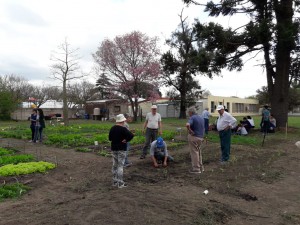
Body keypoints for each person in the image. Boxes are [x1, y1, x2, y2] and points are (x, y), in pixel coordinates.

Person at [109, 114, 134, 188]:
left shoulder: (112, 128)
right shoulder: (123, 129)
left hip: (114, 149)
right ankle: (120, 183)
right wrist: (126, 140)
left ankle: (114, 182)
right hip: (121, 149)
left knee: (114, 165)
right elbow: (131, 135)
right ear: (122, 121)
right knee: (120, 166)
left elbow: (110, 138)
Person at [186, 107, 205, 174]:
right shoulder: (201, 117)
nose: (188, 114)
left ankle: (196, 169)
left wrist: (190, 131)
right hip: (201, 137)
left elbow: (187, 125)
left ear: (191, 112)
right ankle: (201, 167)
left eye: (188, 113)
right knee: (198, 152)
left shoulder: (192, 117)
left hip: (194, 137)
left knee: (194, 153)